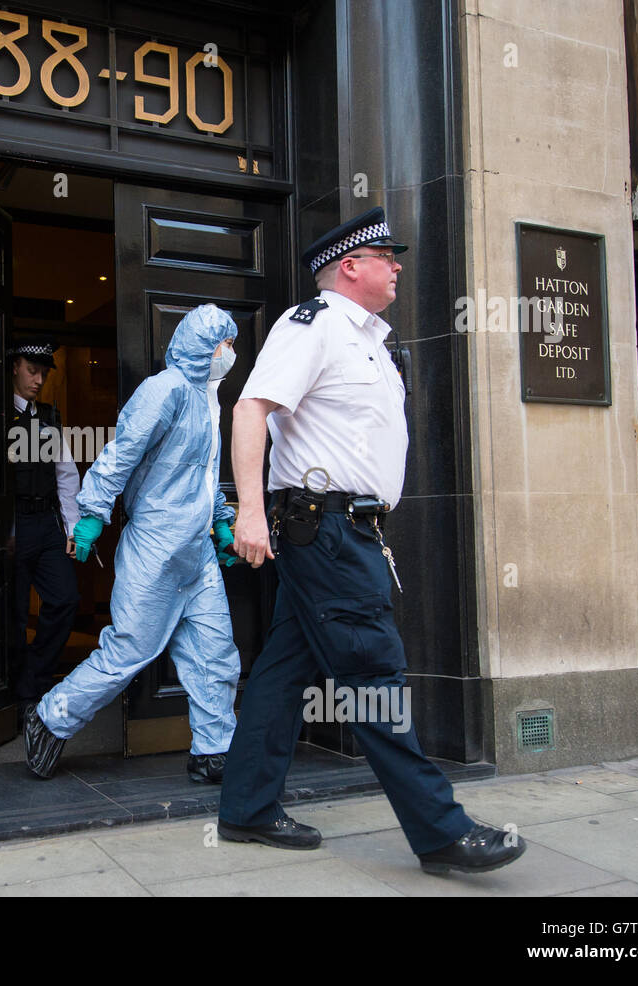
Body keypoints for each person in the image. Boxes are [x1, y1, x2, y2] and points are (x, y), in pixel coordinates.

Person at [218, 207, 527, 874]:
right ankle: (442, 832)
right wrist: (247, 509)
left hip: (345, 528)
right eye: (387, 256)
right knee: (372, 673)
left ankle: (245, 808)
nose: (398, 266)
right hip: (324, 528)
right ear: (351, 267)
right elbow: (251, 407)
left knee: (285, 670)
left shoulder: (372, 344)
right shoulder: (316, 326)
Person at [23, 304, 243, 783]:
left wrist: (222, 522)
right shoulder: (164, 390)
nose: (231, 352)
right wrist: (90, 514)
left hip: (196, 552)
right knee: (128, 652)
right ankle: (50, 716)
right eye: (226, 343)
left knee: (214, 652)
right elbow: (120, 453)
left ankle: (214, 749)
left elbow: (207, 477)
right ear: (204, 345)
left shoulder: (209, 400)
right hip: (155, 549)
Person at [7, 341, 81, 704]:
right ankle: (19, 695)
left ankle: (36, 676)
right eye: (32, 371)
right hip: (14, 523)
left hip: (48, 523)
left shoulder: (50, 416)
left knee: (65, 598)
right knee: (16, 613)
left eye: (44, 373)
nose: (39, 380)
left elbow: (66, 474)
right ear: (15, 368)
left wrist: (72, 529)